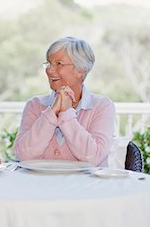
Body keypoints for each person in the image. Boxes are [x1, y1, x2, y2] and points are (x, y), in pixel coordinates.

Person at [14, 36, 115, 167]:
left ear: (81, 70)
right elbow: (23, 155)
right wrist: (52, 112)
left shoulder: (102, 107)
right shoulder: (34, 105)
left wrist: (66, 113)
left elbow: (94, 157)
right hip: (40, 185)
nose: (49, 70)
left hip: (86, 186)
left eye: (59, 64)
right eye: (49, 63)